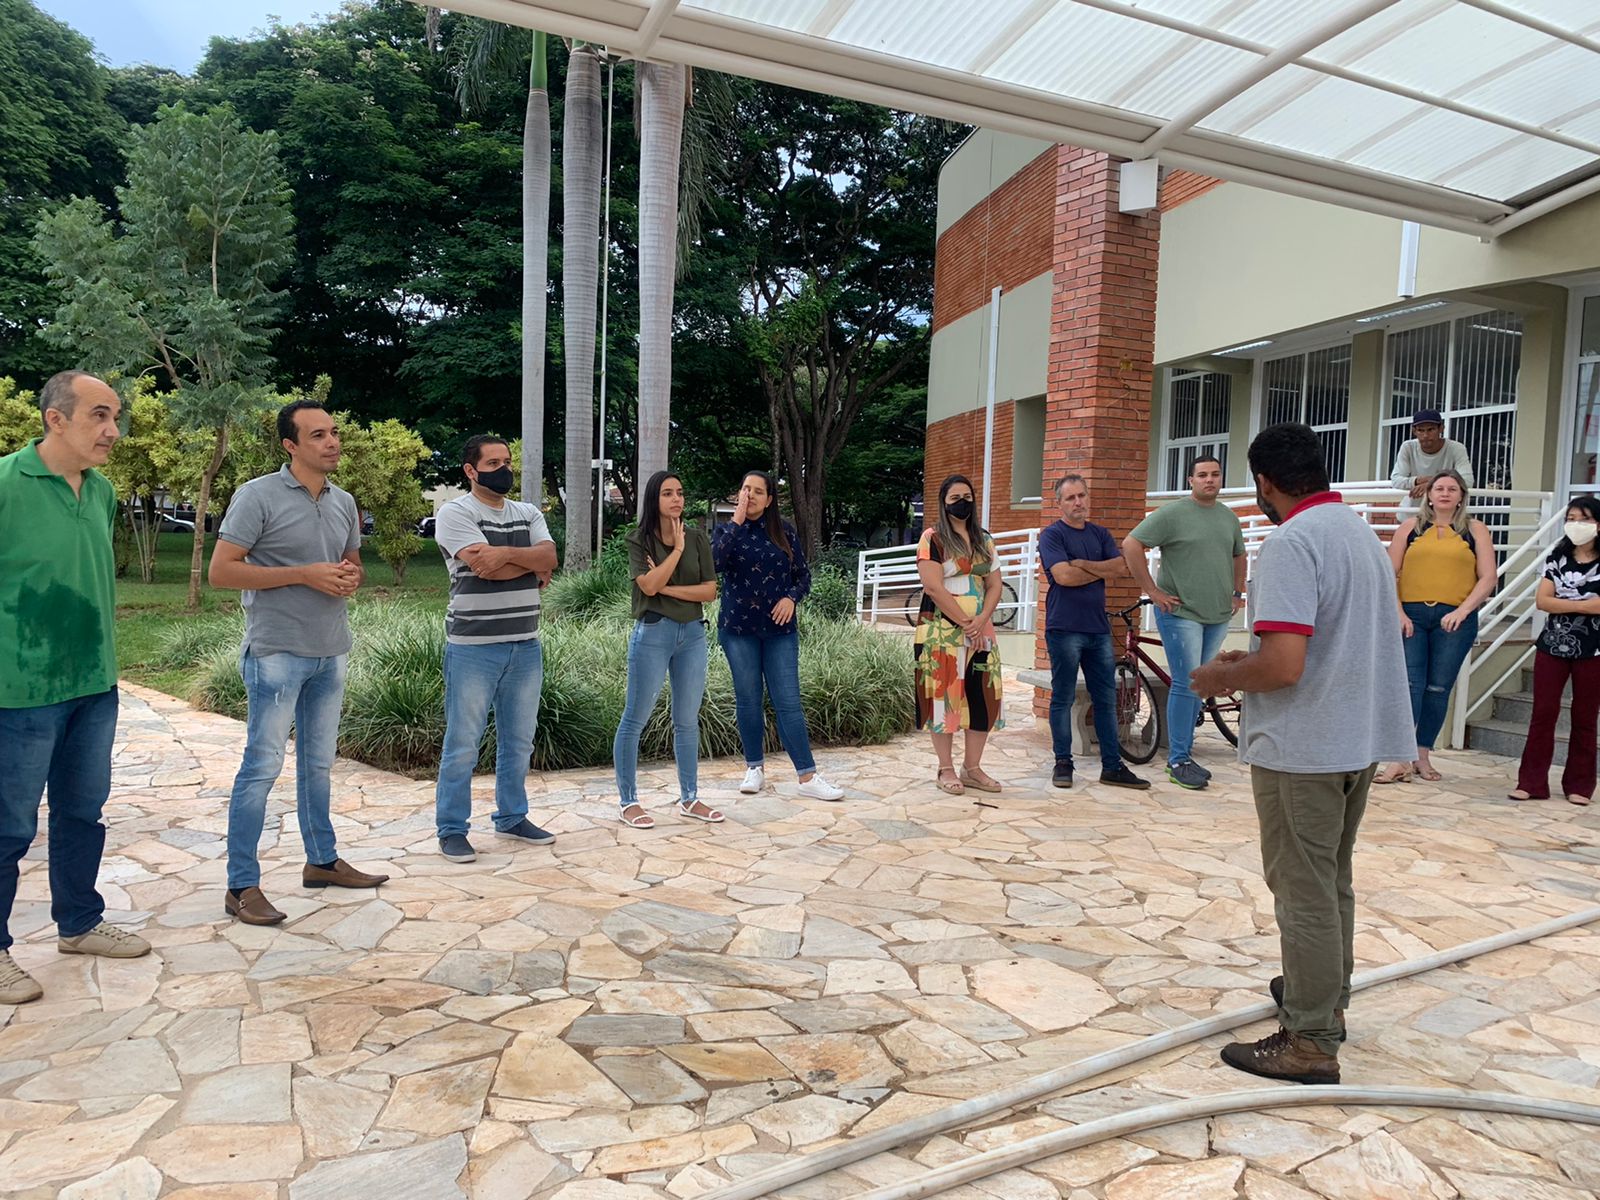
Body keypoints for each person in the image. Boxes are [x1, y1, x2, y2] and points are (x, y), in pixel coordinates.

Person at [1191, 422, 1414, 1086]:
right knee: (1329, 878)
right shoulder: (1357, 535)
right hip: (1353, 741)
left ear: (1265, 483)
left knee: (1301, 887)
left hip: (1306, 746)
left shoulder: (1292, 542)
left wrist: (1226, 676)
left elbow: (1285, 666)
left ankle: (1311, 1037)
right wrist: (1249, 662)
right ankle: (1323, 996)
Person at [0, 371, 152, 1006]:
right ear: (55, 419)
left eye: (114, 416)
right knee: (7, 828)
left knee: (81, 813)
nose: (112, 430)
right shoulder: (5, 484)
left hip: (93, 682)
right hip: (18, 689)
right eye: (98, 416)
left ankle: (79, 923)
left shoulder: (103, 490)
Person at [210, 400, 388, 926]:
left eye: (334, 432)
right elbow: (223, 571)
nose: (331, 442)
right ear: (291, 445)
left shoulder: (343, 500)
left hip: (331, 649)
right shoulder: (256, 496)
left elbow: (350, 563)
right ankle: (241, 885)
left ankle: (323, 861)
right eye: (317, 435)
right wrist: (303, 574)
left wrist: (347, 577)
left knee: (318, 764)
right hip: (276, 652)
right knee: (261, 768)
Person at [433, 435, 561, 863]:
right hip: (473, 647)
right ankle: (451, 828)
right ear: (471, 471)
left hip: (525, 644)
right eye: (493, 462)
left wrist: (508, 557)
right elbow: (482, 569)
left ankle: (512, 816)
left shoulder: (526, 511)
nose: (504, 469)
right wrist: (528, 563)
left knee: (519, 739)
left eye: (507, 461)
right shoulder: (455, 512)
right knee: (464, 741)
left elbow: (550, 558)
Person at [712, 470, 845, 802]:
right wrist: (737, 520)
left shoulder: (783, 531)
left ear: (769, 499)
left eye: (758, 491)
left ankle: (807, 775)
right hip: (738, 629)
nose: (750, 495)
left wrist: (791, 598)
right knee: (748, 699)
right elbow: (715, 563)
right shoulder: (726, 531)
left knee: (788, 702)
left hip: (780, 632)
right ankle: (754, 768)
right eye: (745, 489)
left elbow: (802, 575)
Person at [1124, 455, 1246, 790]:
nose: (1210, 480)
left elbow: (1239, 554)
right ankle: (1179, 759)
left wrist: (1238, 592)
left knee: (1202, 683)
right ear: (1190, 480)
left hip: (1218, 614)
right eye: (1202, 475)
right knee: (1188, 682)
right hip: (1181, 614)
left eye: (1215, 474)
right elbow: (1131, 544)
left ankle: (1185, 752)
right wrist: (1152, 590)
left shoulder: (1228, 517)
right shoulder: (1173, 514)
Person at [615, 470, 722, 828]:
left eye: (679, 492)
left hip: (692, 633)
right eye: (667, 494)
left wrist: (668, 589)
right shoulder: (639, 540)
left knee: (687, 720)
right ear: (653, 500)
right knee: (634, 719)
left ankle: (689, 798)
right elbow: (647, 586)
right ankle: (628, 801)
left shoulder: (698, 538)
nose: (676, 499)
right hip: (654, 632)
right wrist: (675, 551)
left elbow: (709, 591)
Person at [1376, 470, 1496, 785]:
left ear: (1461, 496)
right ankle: (1399, 758)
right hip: (1412, 616)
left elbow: (1488, 577)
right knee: (1411, 686)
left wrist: (1464, 610)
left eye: (1451, 489)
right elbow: (1389, 574)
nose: (1444, 493)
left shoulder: (1475, 530)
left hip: (1455, 617)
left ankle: (1421, 754)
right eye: (1438, 488)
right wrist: (1398, 613)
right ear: (1428, 495)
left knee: (1438, 688)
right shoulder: (1409, 529)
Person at [1037, 474, 1150, 791]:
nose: (1078, 502)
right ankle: (1063, 763)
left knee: (1106, 699)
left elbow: (1120, 568)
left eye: (1082, 496)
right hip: (1064, 628)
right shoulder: (1052, 536)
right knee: (1062, 698)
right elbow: (1063, 577)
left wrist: (1084, 562)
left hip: (1098, 629)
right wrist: (1098, 568)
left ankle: (1112, 766)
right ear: (1059, 503)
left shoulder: (1099, 534)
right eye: (1071, 498)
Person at [914, 475, 1005, 794]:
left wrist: (981, 620)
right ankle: (945, 768)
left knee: (982, 696)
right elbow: (933, 587)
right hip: (942, 629)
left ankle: (973, 767)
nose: (962, 502)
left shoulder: (984, 539)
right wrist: (967, 623)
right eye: (955, 497)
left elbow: (994, 584)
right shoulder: (933, 538)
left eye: (967, 496)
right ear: (943, 501)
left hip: (982, 629)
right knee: (944, 698)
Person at [1510, 496, 1600, 807]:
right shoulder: (1556, 557)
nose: (1577, 525)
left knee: (1585, 717)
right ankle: (1531, 783)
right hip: (1552, 644)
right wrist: (1585, 605)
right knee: (1542, 713)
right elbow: (1543, 601)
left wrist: (1566, 603)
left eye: (1584, 519)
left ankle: (1580, 785)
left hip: (1594, 650)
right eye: (1571, 518)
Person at [1390, 408, 1474, 513]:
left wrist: (1431, 484)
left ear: (1441, 428)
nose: (1425, 435)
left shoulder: (1456, 448)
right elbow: (1396, 480)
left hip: (1445, 516)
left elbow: (1467, 480)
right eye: (1421, 430)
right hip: (1411, 514)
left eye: (1431, 429)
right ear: (1414, 431)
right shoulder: (1408, 447)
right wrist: (1417, 481)